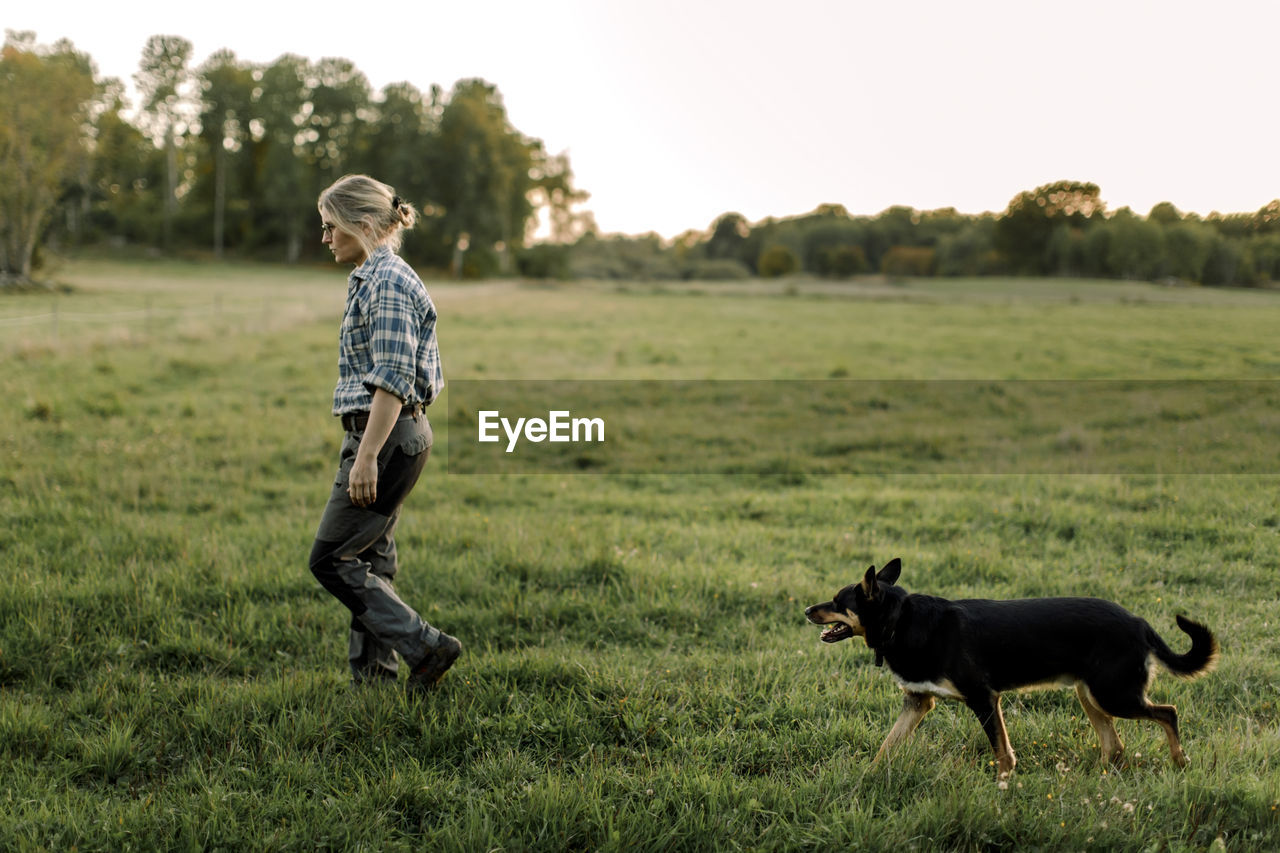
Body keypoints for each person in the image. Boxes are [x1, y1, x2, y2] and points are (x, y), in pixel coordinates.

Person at [308, 173, 460, 693]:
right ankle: (373, 679)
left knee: (331, 560)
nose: (325, 238)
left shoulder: (390, 283)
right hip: (390, 435)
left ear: (365, 225)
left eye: (332, 227)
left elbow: (392, 378)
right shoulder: (372, 277)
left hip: (388, 438)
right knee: (370, 558)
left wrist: (367, 456)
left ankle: (426, 646)